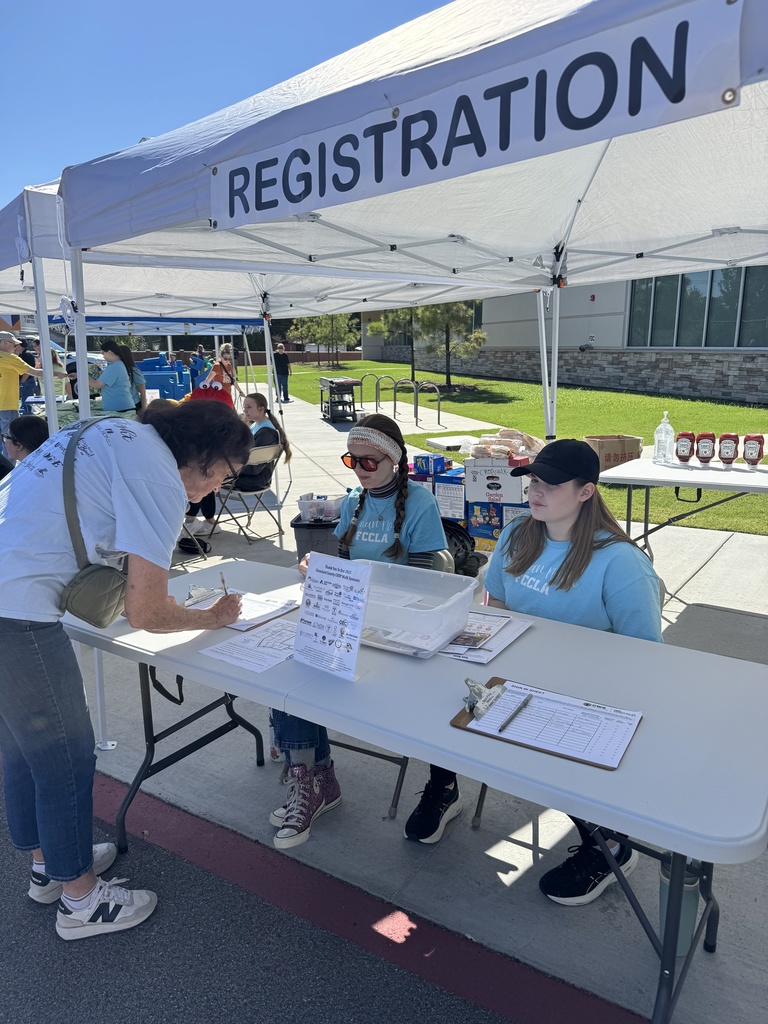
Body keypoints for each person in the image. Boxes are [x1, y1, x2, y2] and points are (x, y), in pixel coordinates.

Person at [0, 401, 252, 940]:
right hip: (14, 614)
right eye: (223, 477)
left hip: (7, 594)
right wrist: (211, 617)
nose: (213, 492)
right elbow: (147, 612)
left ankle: (51, 867)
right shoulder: (158, 475)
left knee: (25, 749)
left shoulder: (110, 429)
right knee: (65, 757)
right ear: (202, 455)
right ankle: (82, 901)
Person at [407, 440, 662, 899]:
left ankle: (609, 844)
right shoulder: (519, 533)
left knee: (554, 744)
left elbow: (646, 656)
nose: (535, 492)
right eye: (533, 481)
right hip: (517, 674)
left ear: (586, 492)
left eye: (549, 484)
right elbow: (497, 607)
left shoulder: (621, 562)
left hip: (587, 692)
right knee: (438, 692)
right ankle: (443, 787)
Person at [276, 414, 446, 850]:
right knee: (291, 666)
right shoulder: (353, 502)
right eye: (353, 460)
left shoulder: (422, 503)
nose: (360, 470)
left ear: (394, 459)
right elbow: (346, 565)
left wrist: (362, 591)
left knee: (304, 669)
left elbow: (426, 582)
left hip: (399, 627)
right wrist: (320, 569)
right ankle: (310, 773)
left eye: (369, 462)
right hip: (355, 620)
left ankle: (312, 775)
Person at [0, 332, 67, 457]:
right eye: (14, 344)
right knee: (10, 442)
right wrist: (56, 373)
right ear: (4, 342)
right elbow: (36, 373)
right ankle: (7, 473)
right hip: (6, 404)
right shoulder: (10, 358)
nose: (15, 348)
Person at [236, 391, 292, 492]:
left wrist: (231, 469)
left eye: (249, 407)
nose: (245, 411)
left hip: (254, 480)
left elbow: (255, 467)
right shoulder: (255, 425)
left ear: (261, 409)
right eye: (244, 408)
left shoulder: (266, 433)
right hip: (246, 474)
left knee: (205, 480)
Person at [89, 340, 135, 412]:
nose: (103, 356)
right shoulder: (118, 364)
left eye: (103, 353)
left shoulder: (115, 366)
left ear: (109, 352)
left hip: (121, 409)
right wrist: (77, 375)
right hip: (122, 407)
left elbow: (96, 385)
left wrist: (83, 376)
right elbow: (102, 374)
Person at [119, 345, 148, 413]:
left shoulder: (134, 371)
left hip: (133, 405)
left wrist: (144, 410)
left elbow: (142, 392)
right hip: (120, 405)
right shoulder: (116, 370)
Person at [15, 339, 39, 411]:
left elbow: (27, 372)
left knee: (27, 402)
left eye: (16, 345)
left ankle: (28, 414)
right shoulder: (20, 355)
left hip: (27, 382)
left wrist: (21, 383)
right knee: (23, 401)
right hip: (24, 382)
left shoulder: (27, 355)